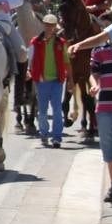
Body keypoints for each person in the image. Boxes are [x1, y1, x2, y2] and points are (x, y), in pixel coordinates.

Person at [78, 17, 112, 205]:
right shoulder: (99, 50)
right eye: (104, 27)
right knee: (108, 146)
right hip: (104, 103)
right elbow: (93, 74)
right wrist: (95, 85)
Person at [29, 14, 70, 148]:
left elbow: (66, 62)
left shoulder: (61, 42)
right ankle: (44, 133)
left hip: (57, 81)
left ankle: (57, 137)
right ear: (43, 25)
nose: (49, 27)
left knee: (57, 109)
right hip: (41, 81)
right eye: (47, 24)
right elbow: (31, 58)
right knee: (43, 110)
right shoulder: (35, 41)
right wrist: (29, 71)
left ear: (55, 27)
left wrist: (71, 80)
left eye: (52, 25)